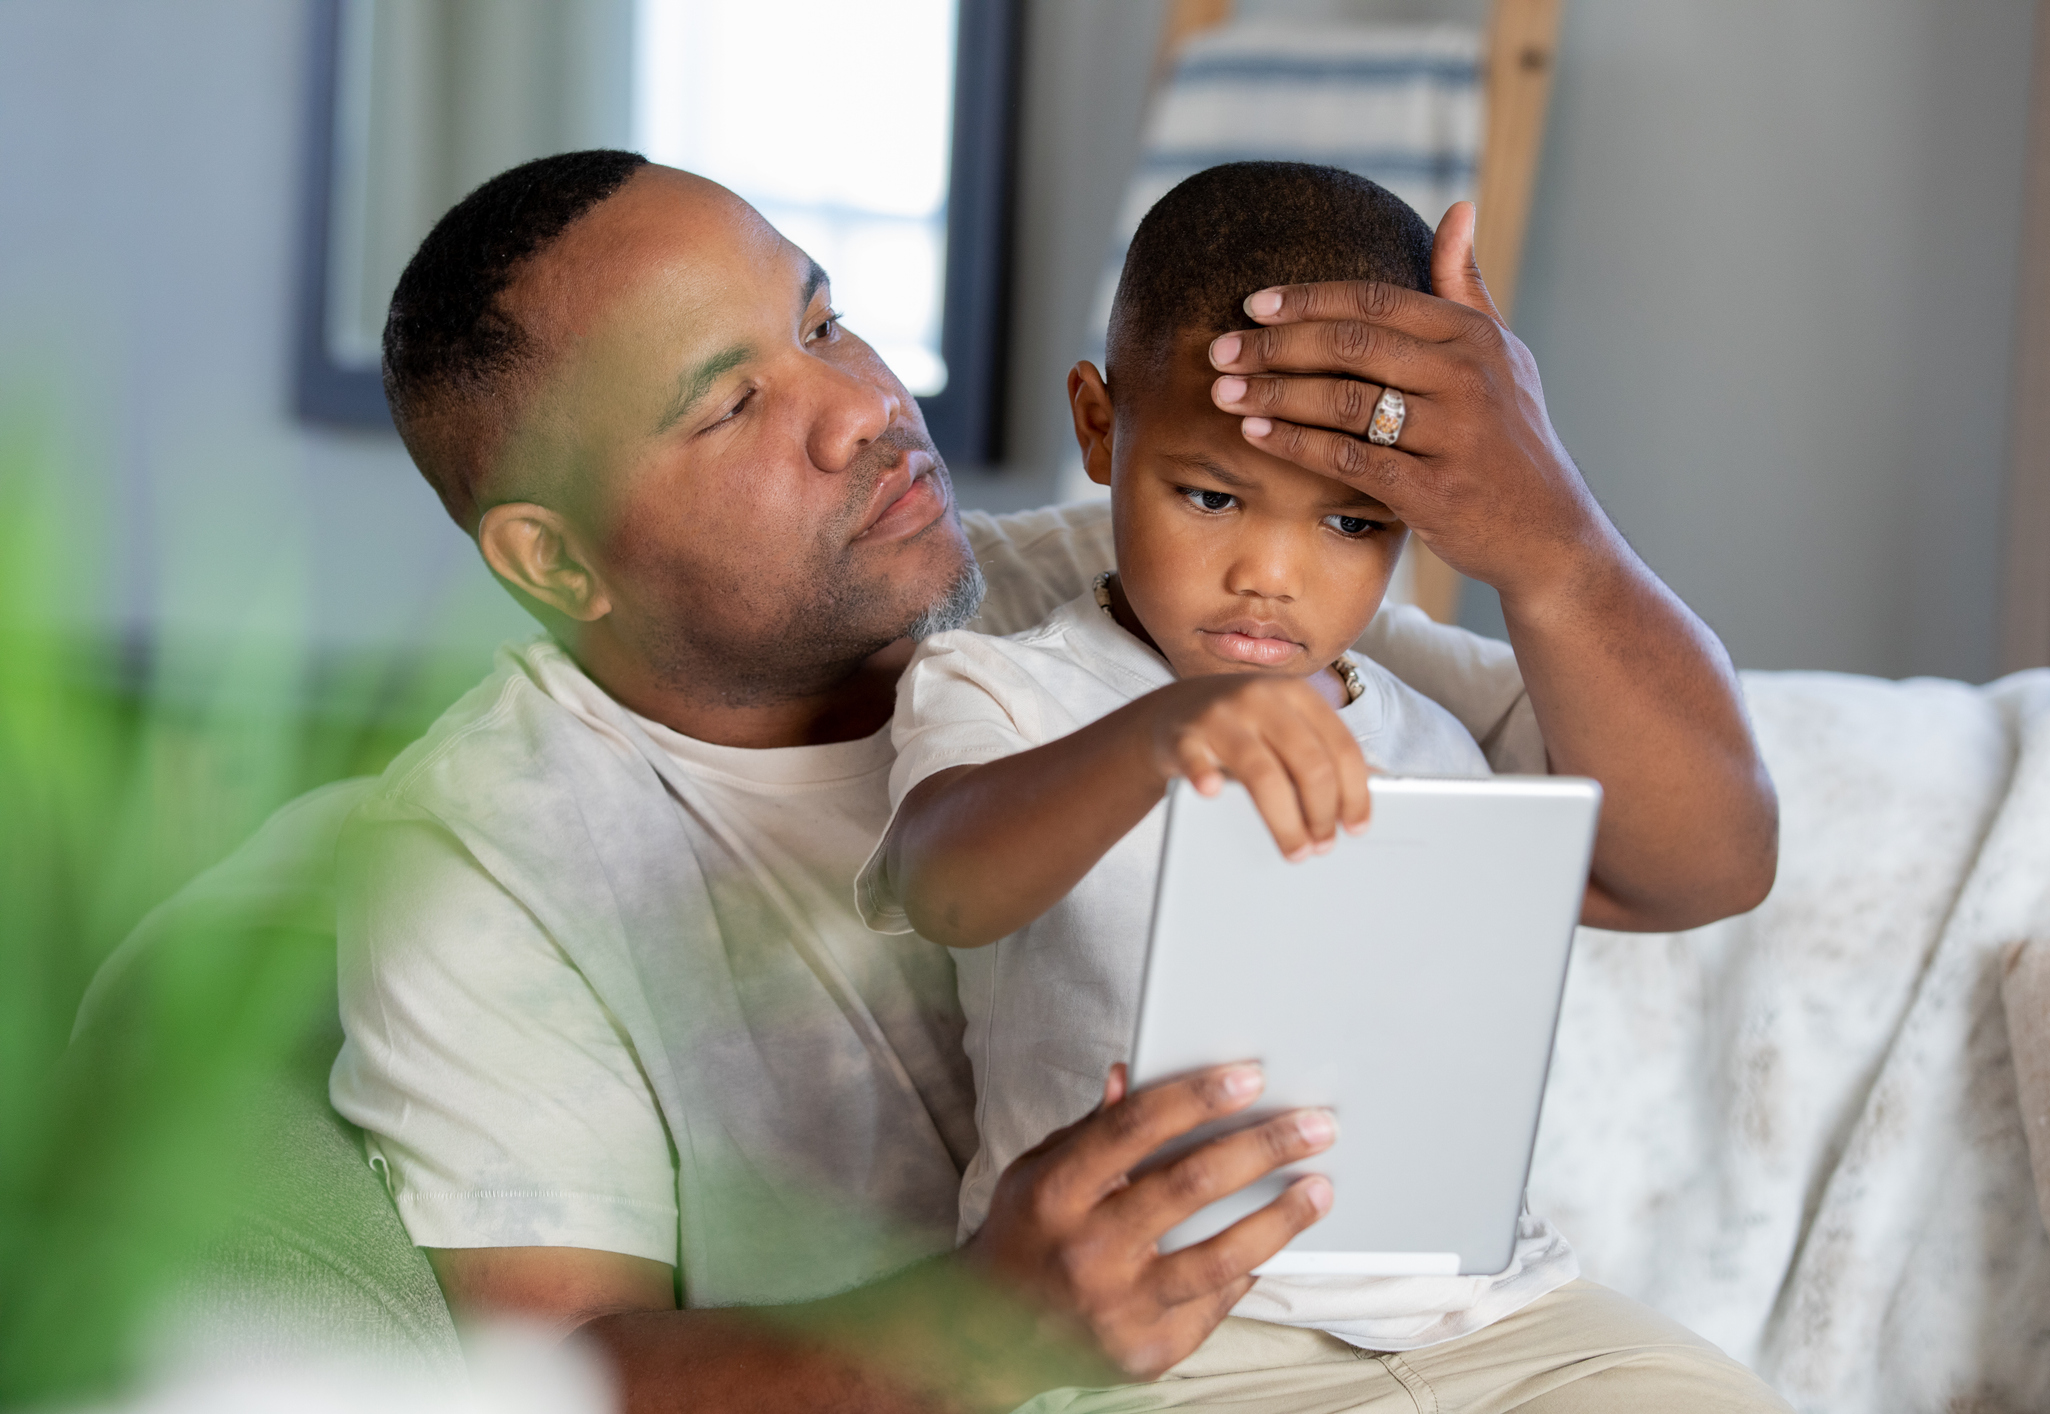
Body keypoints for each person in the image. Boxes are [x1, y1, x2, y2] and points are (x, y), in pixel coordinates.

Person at [329, 148, 1779, 1411]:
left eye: (823, 317)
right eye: (729, 406)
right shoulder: (484, 859)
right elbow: (549, 1380)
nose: (861, 407)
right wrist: (979, 1334)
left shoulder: (1142, 587)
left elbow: (1692, 862)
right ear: (553, 556)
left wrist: (1555, 537)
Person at [857, 163, 1786, 1408]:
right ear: (1098, 424)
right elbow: (945, 885)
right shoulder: (1006, 690)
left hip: (1493, 1319)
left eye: (1352, 523)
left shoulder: (1441, 716)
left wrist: (1547, 525)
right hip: (1167, 1337)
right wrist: (1162, 733)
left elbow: (1711, 862)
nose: (1273, 575)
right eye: (1210, 495)